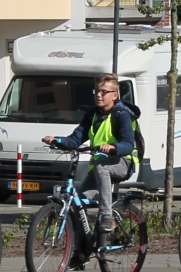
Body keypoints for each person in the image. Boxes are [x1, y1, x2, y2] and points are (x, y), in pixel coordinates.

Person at [47, 73, 138, 235]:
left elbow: (128, 144)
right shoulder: (92, 114)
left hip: (123, 162)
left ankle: (107, 216)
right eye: (96, 91)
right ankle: (82, 253)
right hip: (99, 168)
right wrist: (57, 140)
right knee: (77, 204)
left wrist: (113, 147)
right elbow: (76, 139)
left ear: (115, 95)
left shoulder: (122, 115)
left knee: (101, 167)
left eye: (104, 92)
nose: (98, 95)